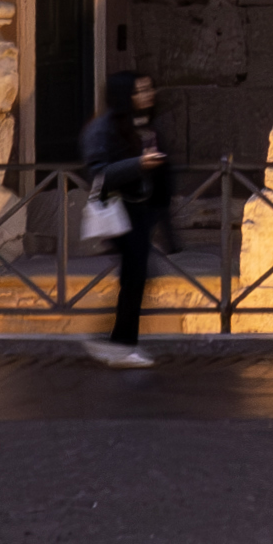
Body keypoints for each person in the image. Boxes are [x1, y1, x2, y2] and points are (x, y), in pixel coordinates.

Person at [73, 65, 179, 373]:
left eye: (150, 88)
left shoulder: (145, 124)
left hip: (142, 212)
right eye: (140, 90)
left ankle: (111, 339)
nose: (149, 94)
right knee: (137, 276)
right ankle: (119, 343)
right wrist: (139, 163)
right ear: (124, 96)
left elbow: (164, 176)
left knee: (139, 277)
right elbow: (98, 173)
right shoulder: (101, 129)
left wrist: (166, 228)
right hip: (119, 212)